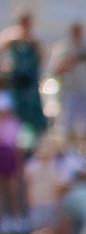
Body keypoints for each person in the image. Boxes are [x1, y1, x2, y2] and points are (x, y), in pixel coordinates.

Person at [47, 23, 86, 145]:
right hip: (69, 92)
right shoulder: (62, 47)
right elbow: (55, 70)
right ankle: (68, 152)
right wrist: (72, 59)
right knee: (67, 126)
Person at [5, 15, 44, 152]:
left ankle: (35, 152)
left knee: (36, 124)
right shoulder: (11, 39)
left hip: (31, 89)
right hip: (16, 89)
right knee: (15, 124)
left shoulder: (34, 41)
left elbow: (41, 57)